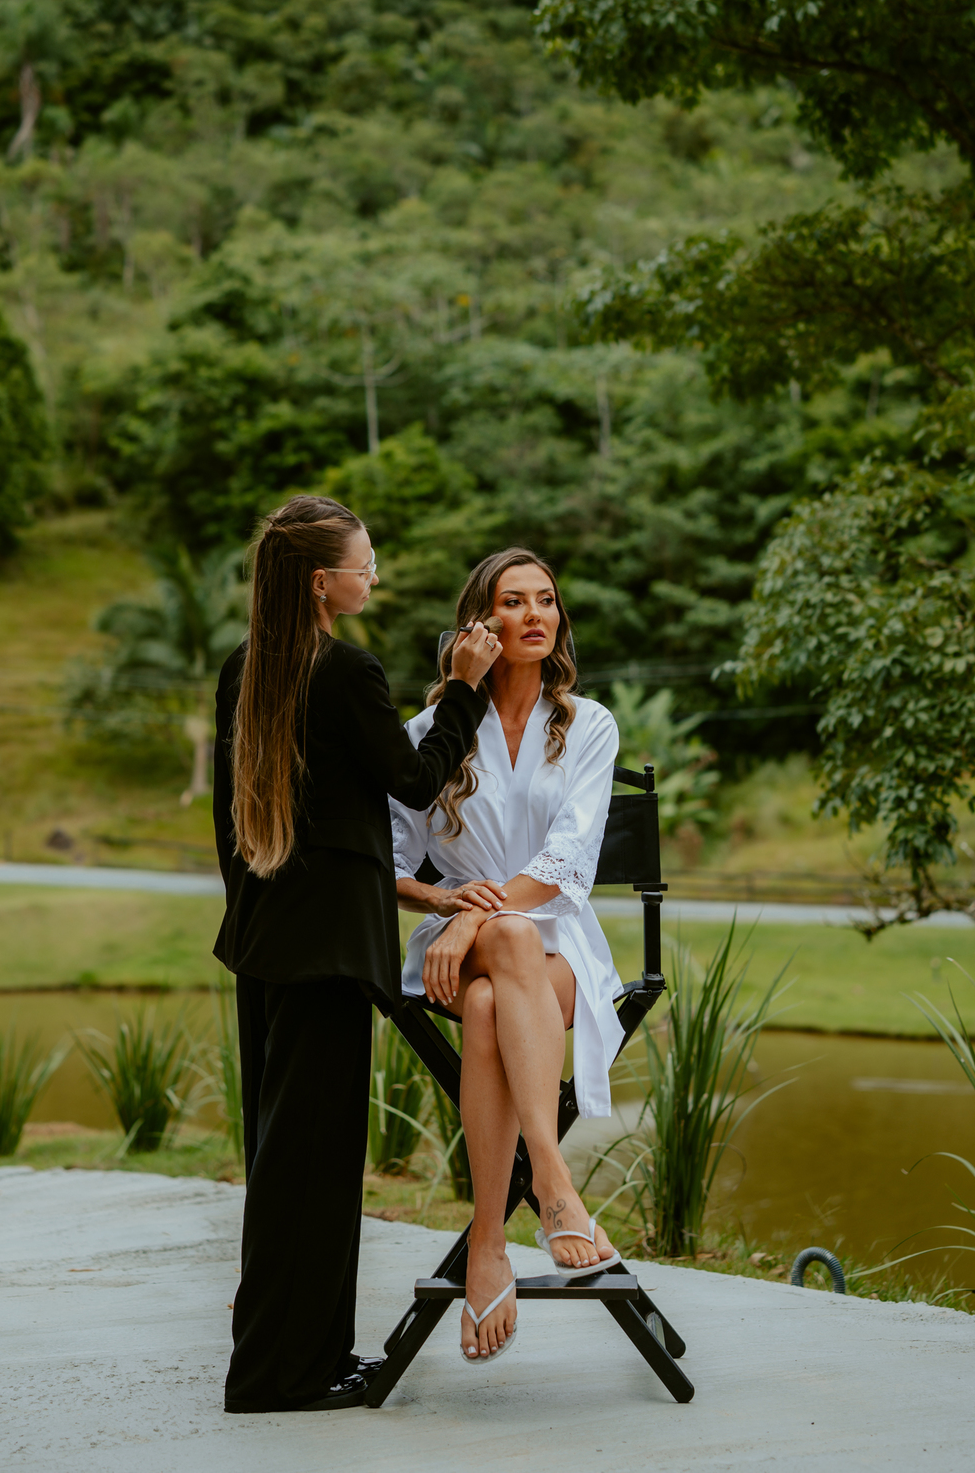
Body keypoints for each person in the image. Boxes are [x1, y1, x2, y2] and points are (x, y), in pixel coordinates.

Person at [212, 494, 500, 1413]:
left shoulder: (244, 669)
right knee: (317, 1166)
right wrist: (462, 689)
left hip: (266, 944)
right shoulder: (345, 672)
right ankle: (283, 1375)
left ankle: (296, 1362)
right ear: (320, 580)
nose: (374, 575)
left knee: (284, 1159)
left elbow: (232, 832)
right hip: (328, 952)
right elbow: (414, 779)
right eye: (365, 563)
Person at [391, 547, 623, 1365]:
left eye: (546, 601)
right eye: (512, 601)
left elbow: (568, 863)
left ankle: (488, 1242)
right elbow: (386, 864)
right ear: (478, 623)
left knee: (499, 985)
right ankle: (556, 1189)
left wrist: (478, 918)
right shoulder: (430, 732)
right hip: (456, 944)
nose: (533, 614)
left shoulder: (588, 725)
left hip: (555, 942)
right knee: (502, 946)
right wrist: (450, 906)